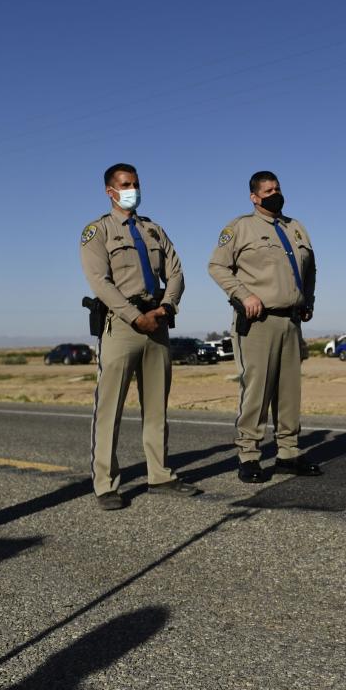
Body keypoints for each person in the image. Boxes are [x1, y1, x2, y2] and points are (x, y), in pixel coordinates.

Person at [80, 164, 200, 509]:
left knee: (156, 406)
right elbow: (99, 282)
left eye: (135, 184)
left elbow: (176, 271)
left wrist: (166, 307)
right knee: (110, 408)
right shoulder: (97, 231)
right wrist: (135, 316)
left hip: (158, 322)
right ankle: (105, 484)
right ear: (110, 191)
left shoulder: (153, 229)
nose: (132, 189)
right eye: (125, 184)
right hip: (121, 325)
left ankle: (159, 475)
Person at [208, 171, 321, 483]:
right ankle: (249, 455)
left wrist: (307, 300)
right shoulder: (240, 227)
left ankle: (288, 453)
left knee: (289, 392)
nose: (275, 193)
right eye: (268, 190)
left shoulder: (295, 228)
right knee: (257, 390)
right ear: (254, 197)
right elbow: (216, 266)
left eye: (278, 188)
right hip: (258, 322)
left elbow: (310, 269)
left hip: (291, 320)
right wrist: (244, 295)